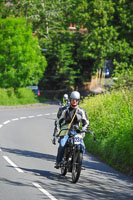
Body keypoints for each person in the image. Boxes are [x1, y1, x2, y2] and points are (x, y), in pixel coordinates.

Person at [52, 91, 89, 168]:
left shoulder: (81, 111)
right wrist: (59, 130)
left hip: (76, 131)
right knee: (62, 144)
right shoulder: (65, 110)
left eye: (76, 100)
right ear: (70, 99)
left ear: (78, 100)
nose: (74, 101)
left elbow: (86, 123)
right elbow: (58, 121)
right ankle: (59, 162)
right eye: (73, 99)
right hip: (65, 130)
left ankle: (79, 162)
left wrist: (83, 132)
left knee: (82, 146)